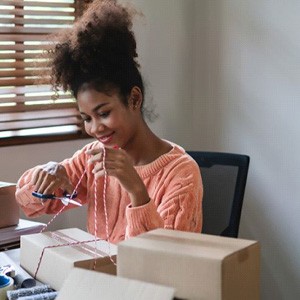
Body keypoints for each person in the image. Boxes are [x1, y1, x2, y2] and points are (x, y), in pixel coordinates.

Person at [15, 0, 203, 244]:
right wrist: (48, 174)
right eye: (86, 118)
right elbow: (26, 202)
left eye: (103, 113)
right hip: (100, 279)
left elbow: (165, 261)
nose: (95, 129)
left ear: (134, 99)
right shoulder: (95, 156)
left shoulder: (182, 172)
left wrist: (137, 191)